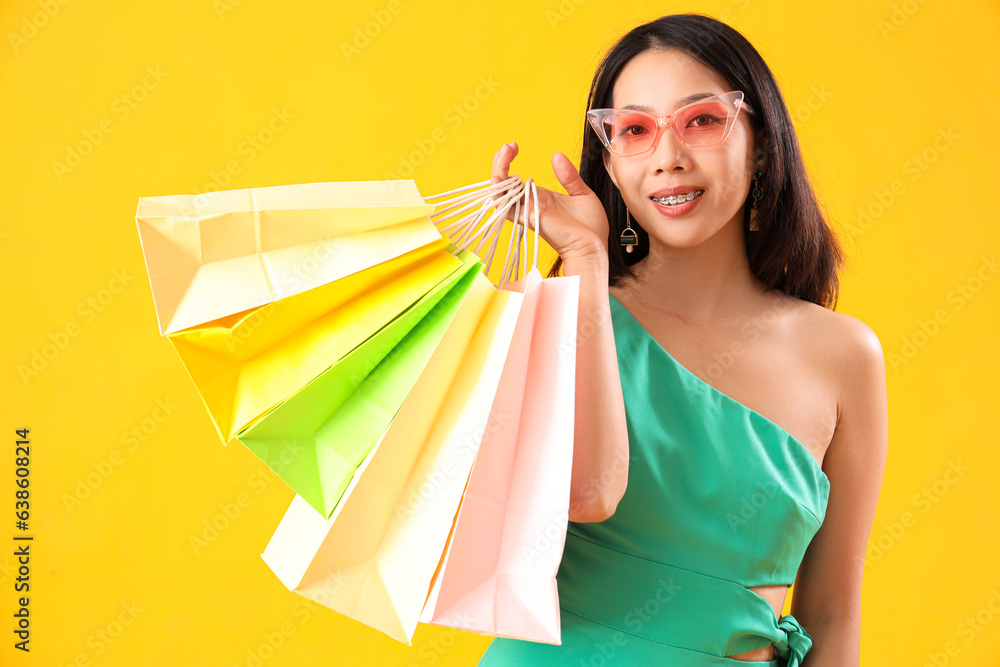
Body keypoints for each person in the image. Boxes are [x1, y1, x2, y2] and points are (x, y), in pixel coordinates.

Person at [477, 13, 888, 667]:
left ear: (759, 143)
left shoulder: (844, 356)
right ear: (609, 163)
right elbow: (590, 491)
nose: (668, 156)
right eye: (636, 130)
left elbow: (834, 612)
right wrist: (585, 258)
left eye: (701, 120)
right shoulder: (551, 316)